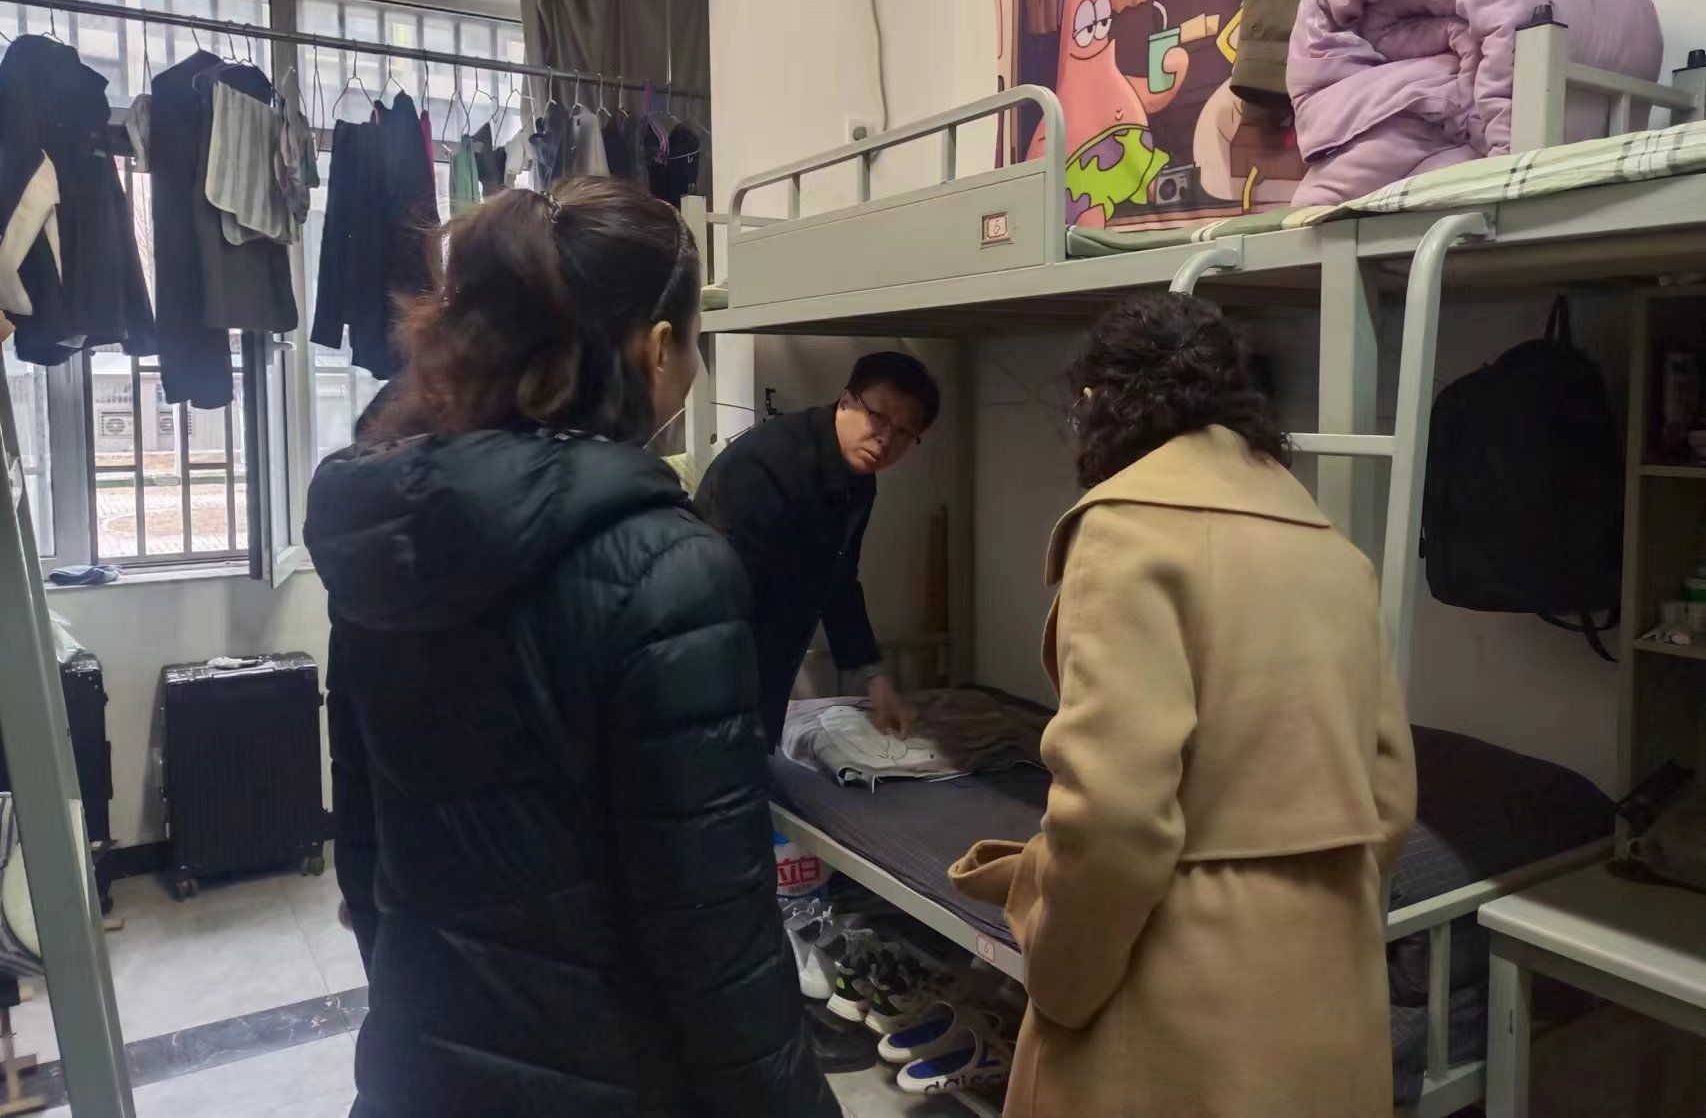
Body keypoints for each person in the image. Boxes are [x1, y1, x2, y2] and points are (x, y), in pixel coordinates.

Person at [304, 177, 837, 1118]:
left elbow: (364, 836)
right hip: (605, 1077)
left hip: (417, 1059)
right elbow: (714, 938)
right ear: (658, 348)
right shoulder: (669, 570)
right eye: (696, 340)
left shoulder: (387, 531)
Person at [951, 292, 1416, 1118]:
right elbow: (1389, 798)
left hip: (1173, 1001)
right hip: (1327, 989)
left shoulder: (1126, 534)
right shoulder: (1336, 553)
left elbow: (1115, 818)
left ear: (1098, 403)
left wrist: (1058, 978)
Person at [695, 351, 939, 747]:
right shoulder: (766, 465)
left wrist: (875, 679)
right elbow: (723, 594)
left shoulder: (858, 479)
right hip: (716, 659)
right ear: (846, 400)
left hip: (764, 660)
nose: (885, 440)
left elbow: (838, 578)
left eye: (903, 433)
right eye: (878, 417)